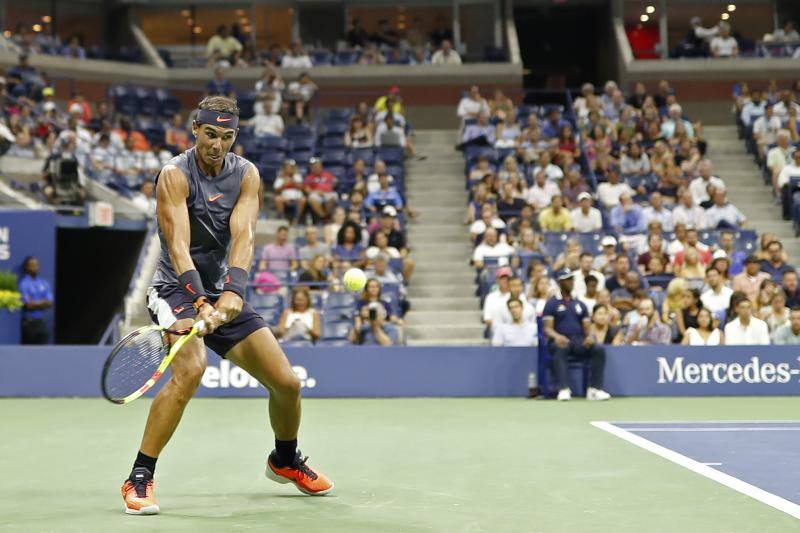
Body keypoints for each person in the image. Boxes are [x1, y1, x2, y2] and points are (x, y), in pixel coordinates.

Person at [121, 96, 333, 516]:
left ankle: (285, 460)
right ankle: (139, 476)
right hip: (174, 290)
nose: (217, 144)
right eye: (211, 134)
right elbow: (178, 246)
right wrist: (199, 300)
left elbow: (244, 236)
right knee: (191, 370)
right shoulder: (174, 175)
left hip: (221, 290)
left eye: (227, 136)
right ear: (195, 130)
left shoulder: (246, 174)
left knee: (287, 384)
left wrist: (233, 291)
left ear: (236, 136)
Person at [542, 269, 610, 402]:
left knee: (598, 349)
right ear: (560, 282)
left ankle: (594, 390)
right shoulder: (551, 303)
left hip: (578, 341)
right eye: (567, 279)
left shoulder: (580, 304)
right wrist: (557, 337)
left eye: (572, 279)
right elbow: (547, 329)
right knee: (560, 348)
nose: (571, 282)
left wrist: (590, 337)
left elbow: (587, 328)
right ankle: (563, 389)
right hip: (559, 340)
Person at [350, 279, 400, 345]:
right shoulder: (361, 303)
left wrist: (397, 320)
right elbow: (358, 316)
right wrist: (358, 322)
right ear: (366, 289)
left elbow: (392, 316)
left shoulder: (384, 303)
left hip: (382, 325)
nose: (374, 289)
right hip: (367, 326)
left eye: (376, 286)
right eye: (371, 287)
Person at [18, 256, 53, 344]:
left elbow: (50, 302)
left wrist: (36, 303)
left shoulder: (44, 283)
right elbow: (28, 305)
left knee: (43, 351)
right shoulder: (23, 284)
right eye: (32, 265)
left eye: (37, 265)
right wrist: (43, 302)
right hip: (28, 323)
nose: (35, 267)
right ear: (27, 267)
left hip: (40, 323)